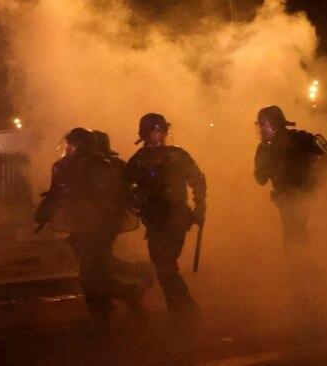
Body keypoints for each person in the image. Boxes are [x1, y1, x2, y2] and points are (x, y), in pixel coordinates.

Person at [34, 127, 143, 337]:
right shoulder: (68, 167)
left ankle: (106, 317)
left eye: (71, 145)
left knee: (90, 276)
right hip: (83, 226)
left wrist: (100, 221)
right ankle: (119, 300)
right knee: (100, 271)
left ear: (81, 146)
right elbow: (58, 193)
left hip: (100, 227)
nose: (67, 149)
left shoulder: (99, 167)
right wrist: (44, 213)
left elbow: (105, 199)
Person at [125, 113, 206, 322]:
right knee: (163, 267)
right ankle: (181, 310)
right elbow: (124, 184)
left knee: (165, 264)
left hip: (176, 217)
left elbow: (197, 179)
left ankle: (185, 311)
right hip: (154, 220)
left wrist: (200, 206)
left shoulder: (177, 155)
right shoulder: (139, 160)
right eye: (154, 130)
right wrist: (134, 198)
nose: (159, 135)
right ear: (144, 134)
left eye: (162, 129)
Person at [253, 105, 324, 258]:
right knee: (295, 231)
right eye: (261, 125)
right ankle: (301, 265)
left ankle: (301, 266)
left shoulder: (301, 139)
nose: (263, 130)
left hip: (304, 196)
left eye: (266, 125)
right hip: (289, 198)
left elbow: (326, 160)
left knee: (294, 233)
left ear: (277, 124)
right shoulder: (267, 148)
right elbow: (260, 178)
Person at [93, 130, 155, 289]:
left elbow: (126, 191)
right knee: (97, 259)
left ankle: (128, 288)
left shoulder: (114, 166)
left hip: (108, 218)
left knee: (98, 259)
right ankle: (130, 283)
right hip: (93, 218)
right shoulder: (92, 166)